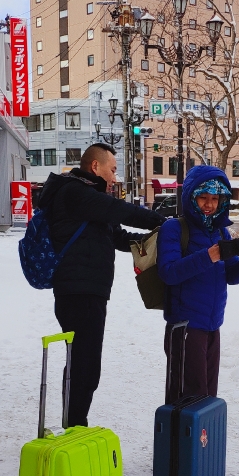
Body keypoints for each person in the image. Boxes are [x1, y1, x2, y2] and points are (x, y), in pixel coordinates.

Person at [38, 144, 163, 427]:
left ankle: (75, 422)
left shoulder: (90, 201)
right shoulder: (75, 192)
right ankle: (74, 426)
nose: (115, 177)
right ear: (95, 167)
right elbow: (118, 210)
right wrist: (158, 220)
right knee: (84, 364)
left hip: (89, 291)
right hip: (78, 292)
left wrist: (156, 237)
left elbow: (118, 237)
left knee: (85, 362)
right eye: (113, 170)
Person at [157, 164, 239, 400]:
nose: (209, 204)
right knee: (187, 397)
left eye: (215, 198)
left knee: (207, 398)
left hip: (212, 326)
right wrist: (212, 254)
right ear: (190, 196)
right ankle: (177, 438)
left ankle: (203, 439)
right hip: (184, 327)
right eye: (203, 197)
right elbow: (169, 273)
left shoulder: (220, 232)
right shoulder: (174, 228)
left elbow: (230, 275)